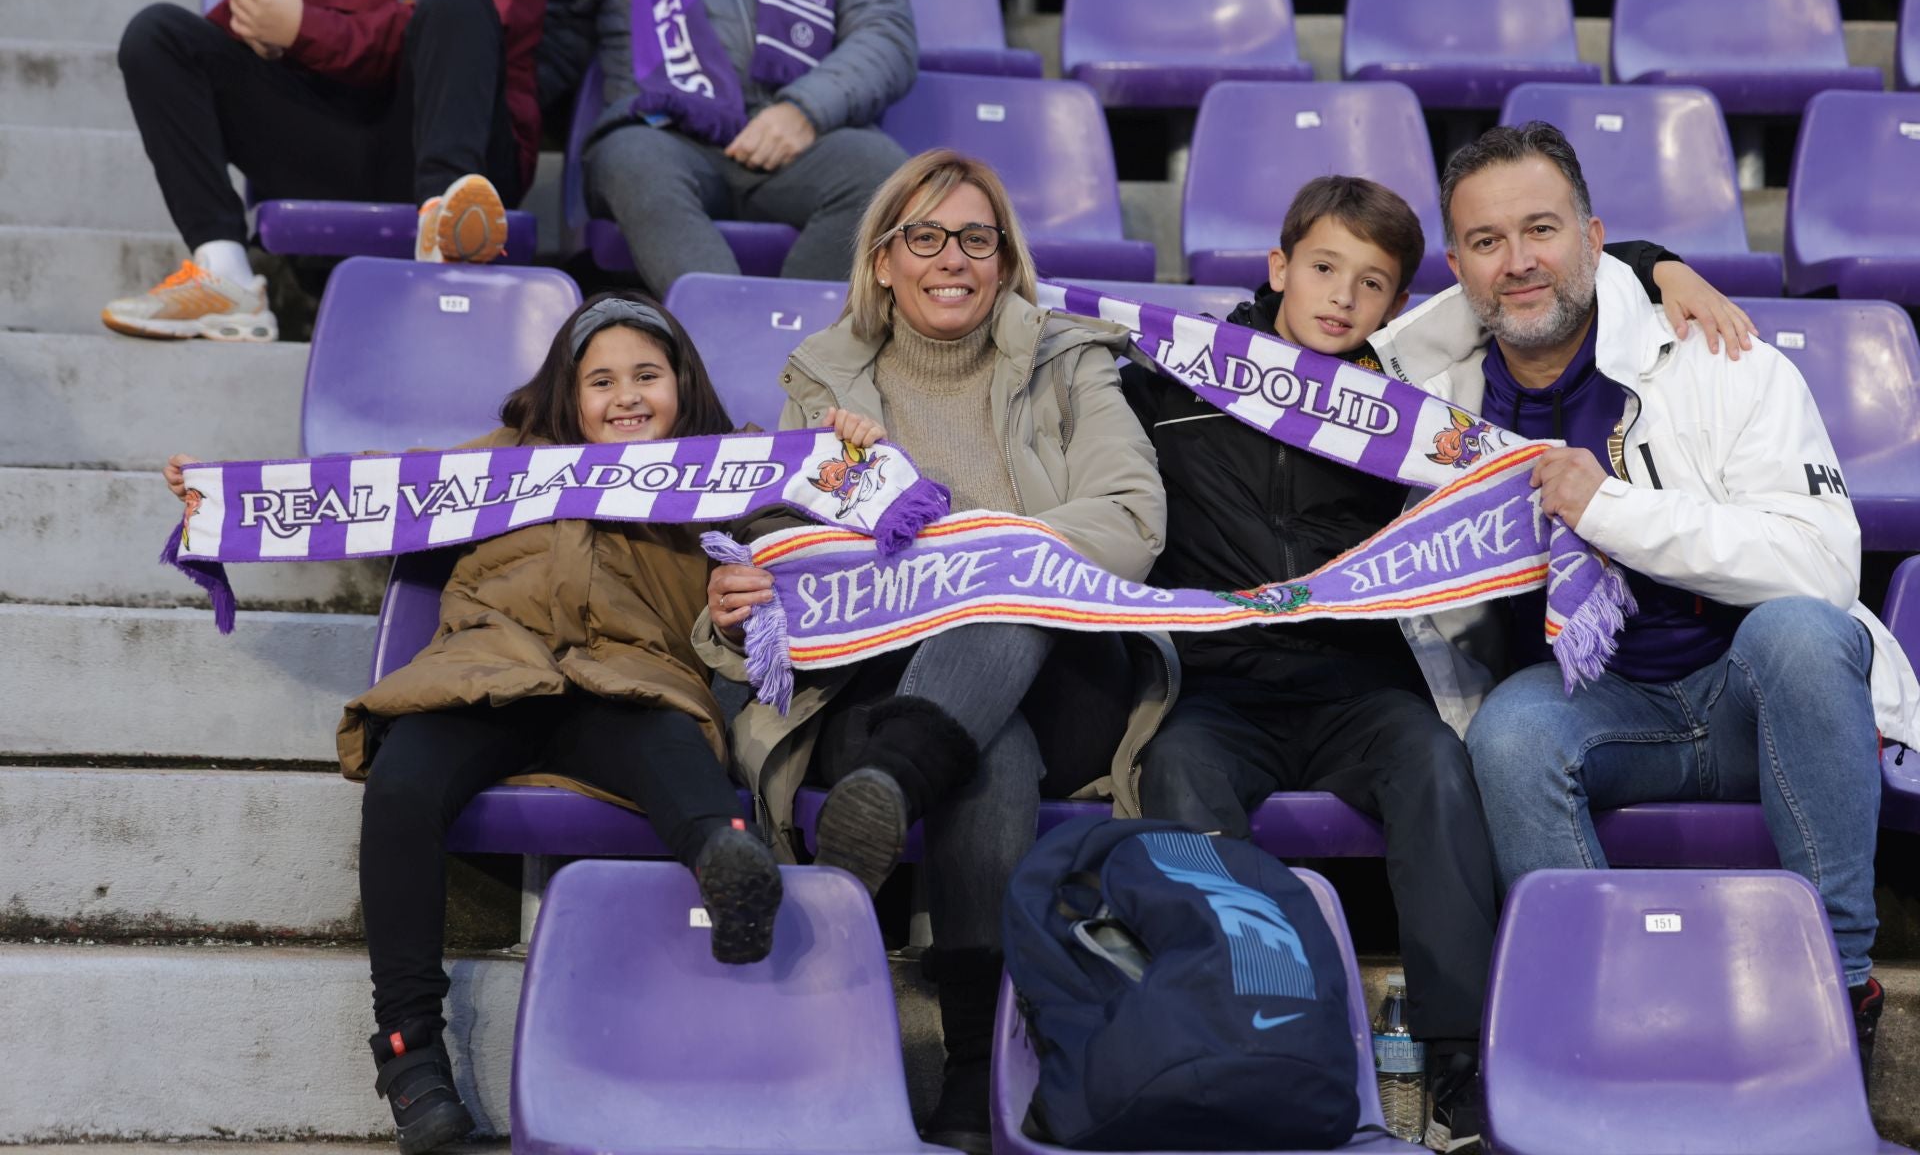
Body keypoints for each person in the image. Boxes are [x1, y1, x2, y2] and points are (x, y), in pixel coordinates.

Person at [1125, 175, 1746, 1155]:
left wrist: (1655, 260)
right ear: (1278, 266)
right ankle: (1236, 1039)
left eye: (1371, 283)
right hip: (1222, 690)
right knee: (1177, 776)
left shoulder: (1406, 391)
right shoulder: (1179, 375)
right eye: (1323, 268)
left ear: (1397, 302)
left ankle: (1459, 1055)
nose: (1341, 297)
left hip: (1359, 687)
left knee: (1439, 771)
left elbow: (1536, 271)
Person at [1370, 121, 1920, 1091]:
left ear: (1594, 234)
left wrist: (1608, 507)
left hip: (1752, 693)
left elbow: (1826, 565)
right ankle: (1599, 1017)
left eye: (1541, 229)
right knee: (1511, 731)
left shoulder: (1723, 356)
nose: (1519, 261)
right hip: (1605, 703)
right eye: (1488, 242)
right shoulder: (1432, 398)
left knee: (1806, 631)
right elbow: (1290, 346)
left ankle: (1835, 993)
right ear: (1456, 265)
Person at [163, 295, 782, 1154]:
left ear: (683, 383)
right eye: (601, 380)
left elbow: (817, 512)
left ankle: (731, 866)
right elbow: (371, 493)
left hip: (627, 681)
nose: (626, 396)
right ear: (568, 394)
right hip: (485, 673)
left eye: (647, 375)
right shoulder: (502, 461)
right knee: (403, 784)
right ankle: (411, 1053)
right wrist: (226, 491)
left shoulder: (725, 474)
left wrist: (851, 450)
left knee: (676, 748)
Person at [697, 148, 1169, 1154]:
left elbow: (1133, 515)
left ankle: (891, 790)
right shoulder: (824, 381)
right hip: (882, 689)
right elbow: (778, 560)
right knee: (982, 758)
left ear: (1003, 261)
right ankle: (971, 1068)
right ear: (880, 261)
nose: (949, 257)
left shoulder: (1070, 358)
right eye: (923, 235)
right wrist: (746, 591)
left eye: (974, 237)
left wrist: (977, 551)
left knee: (999, 588)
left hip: (1058, 666)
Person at [107, 0, 546, 343]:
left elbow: (399, 40)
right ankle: (224, 273)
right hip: (331, 150)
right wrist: (262, 39)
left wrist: (303, 31)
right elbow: (231, 33)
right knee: (160, 36)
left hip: (456, 156)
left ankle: (447, 230)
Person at [540, 0, 916, 296]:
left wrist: (806, 109)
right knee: (631, 161)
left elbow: (886, 31)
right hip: (662, 135)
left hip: (799, 139)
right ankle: (727, 336)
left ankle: (799, 348)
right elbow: (547, 54)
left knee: (883, 172)